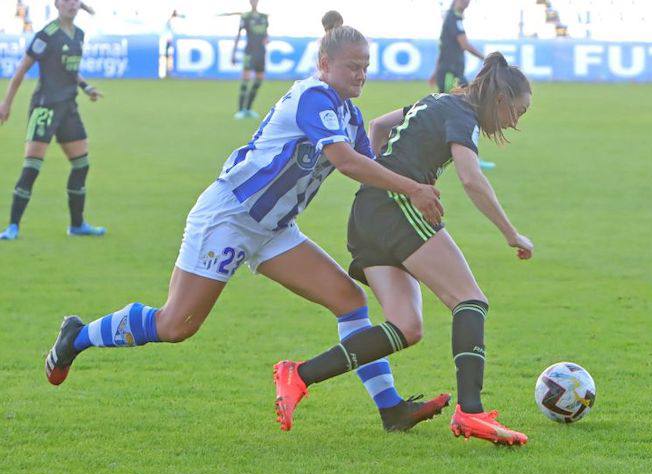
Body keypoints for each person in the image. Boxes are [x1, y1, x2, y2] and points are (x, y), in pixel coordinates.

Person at [43, 25, 450, 432]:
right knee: (175, 325)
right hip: (229, 218)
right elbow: (346, 161)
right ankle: (77, 336)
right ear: (325, 64)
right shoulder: (313, 96)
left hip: (274, 228)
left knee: (349, 300)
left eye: (365, 67)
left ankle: (391, 409)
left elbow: (372, 166)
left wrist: (422, 119)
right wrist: (414, 189)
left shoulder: (348, 112)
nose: (361, 74)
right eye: (352, 66)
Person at [274, 52, 534, 446]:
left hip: (368, 213)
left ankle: (299, 375)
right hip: (396, 208)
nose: (515, 121)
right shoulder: (463, 116)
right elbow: (471, 179)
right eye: (518, 110)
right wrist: (511, 233)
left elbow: (379, 125)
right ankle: (472, 412)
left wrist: (382, 174)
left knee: (406, 327)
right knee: (470, 300)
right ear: (499, 99)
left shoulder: (437, 101)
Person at [0, 0, 104, 241]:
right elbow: (21, 70)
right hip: (45, 107)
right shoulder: (46, 34)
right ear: (56, 5)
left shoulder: (79, 34)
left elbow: (69, 69)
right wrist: (6, 103)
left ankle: (77, 225)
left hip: (69, 107)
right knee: (32, 167)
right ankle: (12, 227)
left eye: (75, 0)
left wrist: (86, 87)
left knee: (81, 165)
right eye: (66, 0)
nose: (71, 4)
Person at [429, 0, 495, 170]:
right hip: (452, 73)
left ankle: (448, 152)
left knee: (450, 110)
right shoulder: (454, 19)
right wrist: (486, 58)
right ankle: (468, 157)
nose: (468, 3)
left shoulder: (452, 18)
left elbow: (443, 47)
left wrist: (436, 72)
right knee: (464, 109)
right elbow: (464, 44)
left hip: (451, 72)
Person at [231, 0, 268, 120]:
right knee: (246, 79)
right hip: (249, 52)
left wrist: (266, 39)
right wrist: (233, 53)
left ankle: (249, 108)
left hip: (261, 52)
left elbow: (266, 34)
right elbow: (238, 35)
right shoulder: (245, 17)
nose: (254, 2)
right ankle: (240, 110)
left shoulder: (264, 17)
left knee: (258, 80)